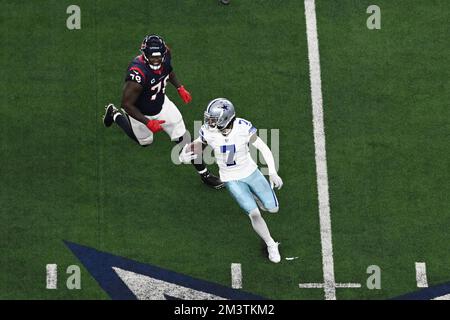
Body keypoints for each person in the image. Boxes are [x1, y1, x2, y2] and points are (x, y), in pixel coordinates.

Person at [102, 34, 223, 189]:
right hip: (141, 112)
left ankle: (204, 174)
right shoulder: (137, 73)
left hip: (163, 105)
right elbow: (126, 104)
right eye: (152, 58)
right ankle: (115, 115)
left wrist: (179, 87)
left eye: (159, 57)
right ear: (144, 55)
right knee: (145, 142)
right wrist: (147, 122)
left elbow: (168, 69)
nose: (156, 61)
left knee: (185, 139)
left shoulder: (165, 55)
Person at [179, 98, 283, 263]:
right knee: (255, 214)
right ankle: (270, 243)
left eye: (213, 119)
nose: (208, 122)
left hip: (251, 172)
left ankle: (255, 196)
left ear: (225, 119)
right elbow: (195, 146)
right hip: (230, 178)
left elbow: (263, 147)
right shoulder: (208, 132)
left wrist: (272, 172)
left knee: (273, 209)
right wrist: (184, 156)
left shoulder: (243, 127)